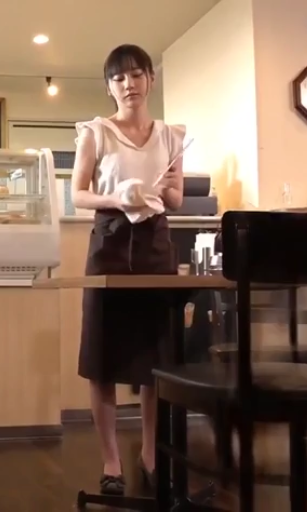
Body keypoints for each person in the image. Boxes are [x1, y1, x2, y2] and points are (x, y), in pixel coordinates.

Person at [70, 44, 184, 496]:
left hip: (156, 245)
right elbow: (77, 195)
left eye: (137, 75)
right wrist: (116, 198)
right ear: (109, 87)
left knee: (155, 359)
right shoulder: (95, 132)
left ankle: (151, 454)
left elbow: (175, 200)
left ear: (151, 79)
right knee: (103, 357)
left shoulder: (171, 135)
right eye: (119, 78)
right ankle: (112, 460)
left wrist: (168, 189)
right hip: (110, 244)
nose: (129, 84)